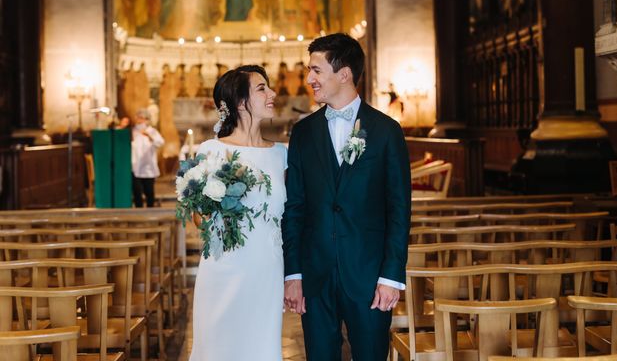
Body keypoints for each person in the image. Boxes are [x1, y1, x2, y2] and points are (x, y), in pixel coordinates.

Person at [282, 33, 411, 360]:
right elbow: (294, 208)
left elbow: (399, 209)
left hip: (369, 277)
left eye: (316, 70)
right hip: (315, 276)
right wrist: (293, 274)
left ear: (344, 74)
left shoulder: (385, 131)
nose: (309, 79)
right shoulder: (303, 133)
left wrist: (391, 276)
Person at [189, 65, 287, 361]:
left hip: (267, 270)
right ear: (240, 102)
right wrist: (215, 204)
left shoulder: (282, 154)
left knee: (262, 348)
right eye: (262, 88)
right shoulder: (211, 151)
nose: (272, 94)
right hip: (224, 268)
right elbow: (198, 219)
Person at [131, 108, 165, 208]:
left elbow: (160, 142)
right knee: (137, 192)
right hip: (135, 166)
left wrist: (149, 136)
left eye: (142, 118)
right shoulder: (133, 131)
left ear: (147, 120)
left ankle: (150, 212)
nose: (140, 120)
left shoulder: (152, 131)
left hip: (148, 167)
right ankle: (138, 213)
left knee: (149, 192)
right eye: (138, 118)